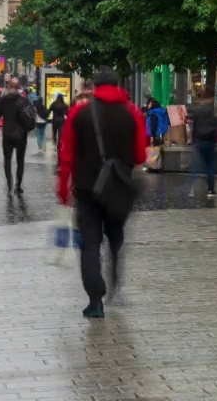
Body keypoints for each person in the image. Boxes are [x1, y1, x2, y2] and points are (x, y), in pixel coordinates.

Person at [57, 69, 148, 319]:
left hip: (87, 190)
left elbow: (66, 155)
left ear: (94, 86)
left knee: (89, 244)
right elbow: (140, 154)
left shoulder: (80, 112)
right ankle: (115, 277)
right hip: (118, 189)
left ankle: (95, 299)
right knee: (115, 236)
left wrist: (64, 189)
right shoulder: (132, 113)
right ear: (118, 85)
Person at [0, 78, 36, 194]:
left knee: (7, 160)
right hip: (21, 134)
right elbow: (31, 114)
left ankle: (9, 184)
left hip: (7, 133)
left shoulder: (3, 101)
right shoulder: (24, 100)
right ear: (19, 87)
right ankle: (18, 185)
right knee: (20, 160)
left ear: (8, 87)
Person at [190, 90, 217, 197]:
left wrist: (193, 139)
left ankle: (191, 188)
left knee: (196, 165)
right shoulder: (212, 110)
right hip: (210, 140)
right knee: (211, 166)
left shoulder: (197, 111)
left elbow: (194, 126)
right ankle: (211, 189)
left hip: (199, 140)